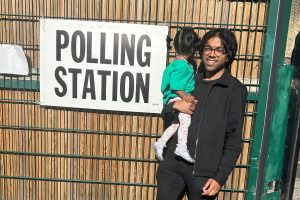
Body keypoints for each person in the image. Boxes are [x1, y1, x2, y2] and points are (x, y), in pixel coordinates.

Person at [156, 28, 248, 200]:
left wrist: (220, 177)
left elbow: (234, 140)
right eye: (207, 48)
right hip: (172, 168)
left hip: (203, 175)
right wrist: (176, 105)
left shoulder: (234, 89)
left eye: (219, 49)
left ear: (228, 55)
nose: (212, 54)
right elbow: (166, 113)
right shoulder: (191, 81)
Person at [153, 28, 200, 163]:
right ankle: (181, 147)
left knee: (175, 124)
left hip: (171, 98)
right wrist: (184, 95)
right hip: (177, 97)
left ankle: (161, 143)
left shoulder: (175, 64)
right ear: (192, 49)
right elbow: (176, 86)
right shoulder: (182, 66)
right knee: (186, 120)